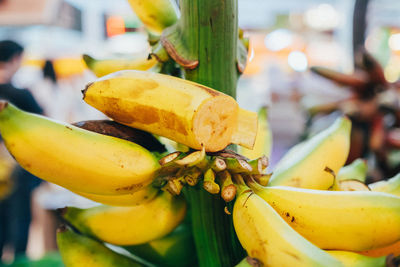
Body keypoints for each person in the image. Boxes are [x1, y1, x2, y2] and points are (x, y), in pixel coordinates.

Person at [0, 40, 43, 261]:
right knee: (19, 221)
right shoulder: (20, 95)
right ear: (15, 58)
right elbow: (42, 126)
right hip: (17, 166)